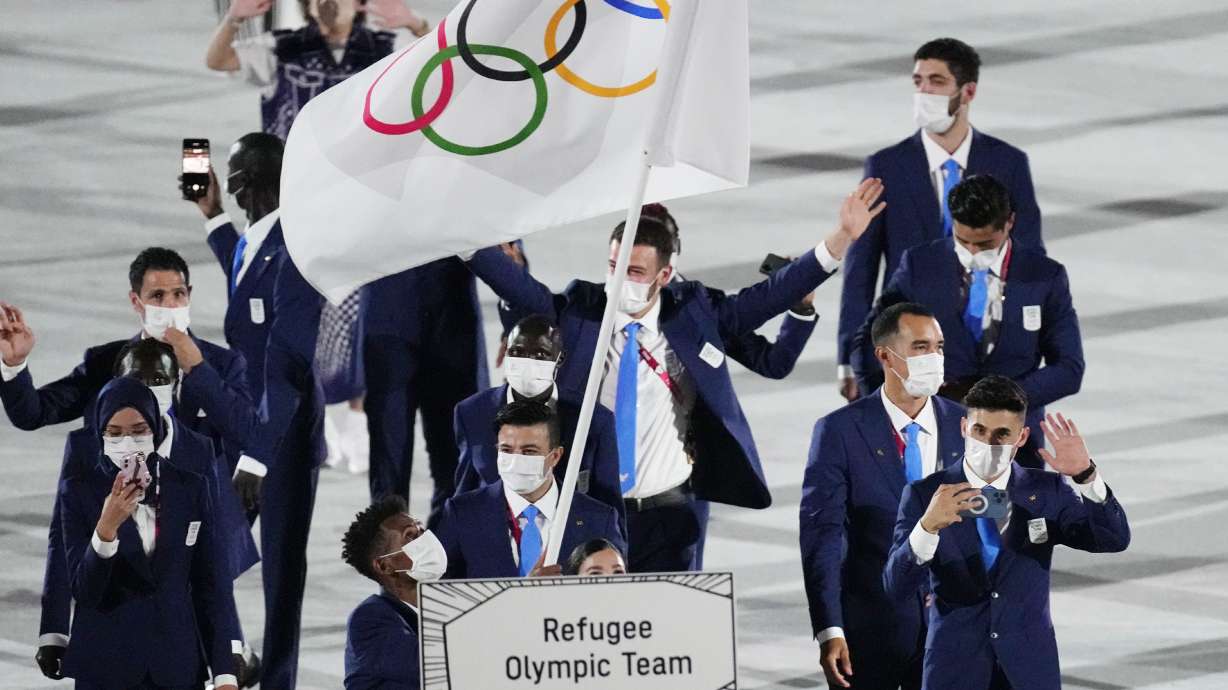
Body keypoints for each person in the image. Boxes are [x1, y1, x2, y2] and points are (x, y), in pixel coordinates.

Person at [466, 179, 885, 572]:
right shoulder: (580, 311)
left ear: (664, 276)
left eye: (633, 272)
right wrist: (458, 237)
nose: (618, 281)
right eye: (613, 266)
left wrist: (841, 238)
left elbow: (770, 296)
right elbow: (518, 289)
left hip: (673, 514)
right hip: (592, 512)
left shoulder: (693, 314)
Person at [185, 131, 327, 689]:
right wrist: (212, 213)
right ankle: (232, 653)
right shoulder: (261, 240)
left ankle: (280, 682)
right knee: (210, 550)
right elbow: (244, 279)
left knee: (282, 571)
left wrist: (258, 459)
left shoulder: (295, 250)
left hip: (283, 438)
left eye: (234, 172)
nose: (230, 179)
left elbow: (288, 372)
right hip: (247, 427)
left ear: (252, 182)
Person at [883, 376, 1130, 690]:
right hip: (954, 669)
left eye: (1002, 435)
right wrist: (926, 527)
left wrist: (1086, 476)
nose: (989, 444)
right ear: (963, 428)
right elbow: (895, 588)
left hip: (1027, 669)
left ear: (1022, 436)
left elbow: (1113, 540)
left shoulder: (1047, 490)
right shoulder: (925, 495)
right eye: (979, 431)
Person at [38, 340, 261, 686]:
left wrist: (225, 668)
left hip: (177, 662)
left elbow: (211, 578)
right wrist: (106, 531)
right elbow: (75, 572)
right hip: (106, 664)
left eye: (139, 431)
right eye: (114, 434)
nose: (127, 442)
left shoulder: (192, 479)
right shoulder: (80, 487)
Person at [837, 37, 1043, 403]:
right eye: (918, 82)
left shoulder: (1008, 163)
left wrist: (1030, 346)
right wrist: (849, 359)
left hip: (991, 344)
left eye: (936, 81)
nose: (924, 92)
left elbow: (1029, 256)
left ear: (968, 92)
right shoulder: (888, 166)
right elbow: (861, 269)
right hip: (911, 348)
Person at [851, 175, 1083, 466]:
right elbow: (869, 343)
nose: (972, 253)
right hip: (934, 440)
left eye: (984, 244)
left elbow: (1069, 368)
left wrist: (999, 402)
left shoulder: (1045, 277)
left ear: (1009, 222)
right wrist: (887, 408)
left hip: (1014, 448)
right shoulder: (920, 266)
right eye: (963, 242)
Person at [800, 303, 965, 690]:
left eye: (939, 347)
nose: (934, 358)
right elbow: (822, 535)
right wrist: (829, 627)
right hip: (873, 629)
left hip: (955, 627)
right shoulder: (838, 431)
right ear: (885, 356)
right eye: (921, 348)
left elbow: (992, 520)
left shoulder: (966, 425)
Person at [452, 315, 622, 528]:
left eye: (540, 354)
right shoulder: (472, 413)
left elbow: (609, 504)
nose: (528, 362)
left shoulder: (593, 419)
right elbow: (464, 494)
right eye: (517, 352)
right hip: (495, 545)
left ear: (559, 359)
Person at [360, 254, 488, 525]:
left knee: (455, 461)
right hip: (389, 317)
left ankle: (447, 555)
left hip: (454, 320)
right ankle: (391, 558)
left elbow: (494, 218)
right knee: (389, 464)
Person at [437, 401, 626, 578]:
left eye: (529, 451)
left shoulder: (599, 519)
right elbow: (440, 594)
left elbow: (618, 594)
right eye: (507, 450)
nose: (516, 460)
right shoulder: (462, 513)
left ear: (555, 456)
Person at [205, 0, 431, 141]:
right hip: (292, 186)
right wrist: (234, 19)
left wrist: (415, 23)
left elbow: (443, 63)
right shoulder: (282, 49)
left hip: (361, 184)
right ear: (308, 6)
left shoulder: (387, 49)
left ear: (358, 4)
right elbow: (219, 60)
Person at [342, 496, 447, 690]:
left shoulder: (441, 606)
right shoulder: (369, 618)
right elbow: (433, 666)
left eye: (421, 530)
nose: (424, 538)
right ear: (384, 566)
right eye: (410, 536)